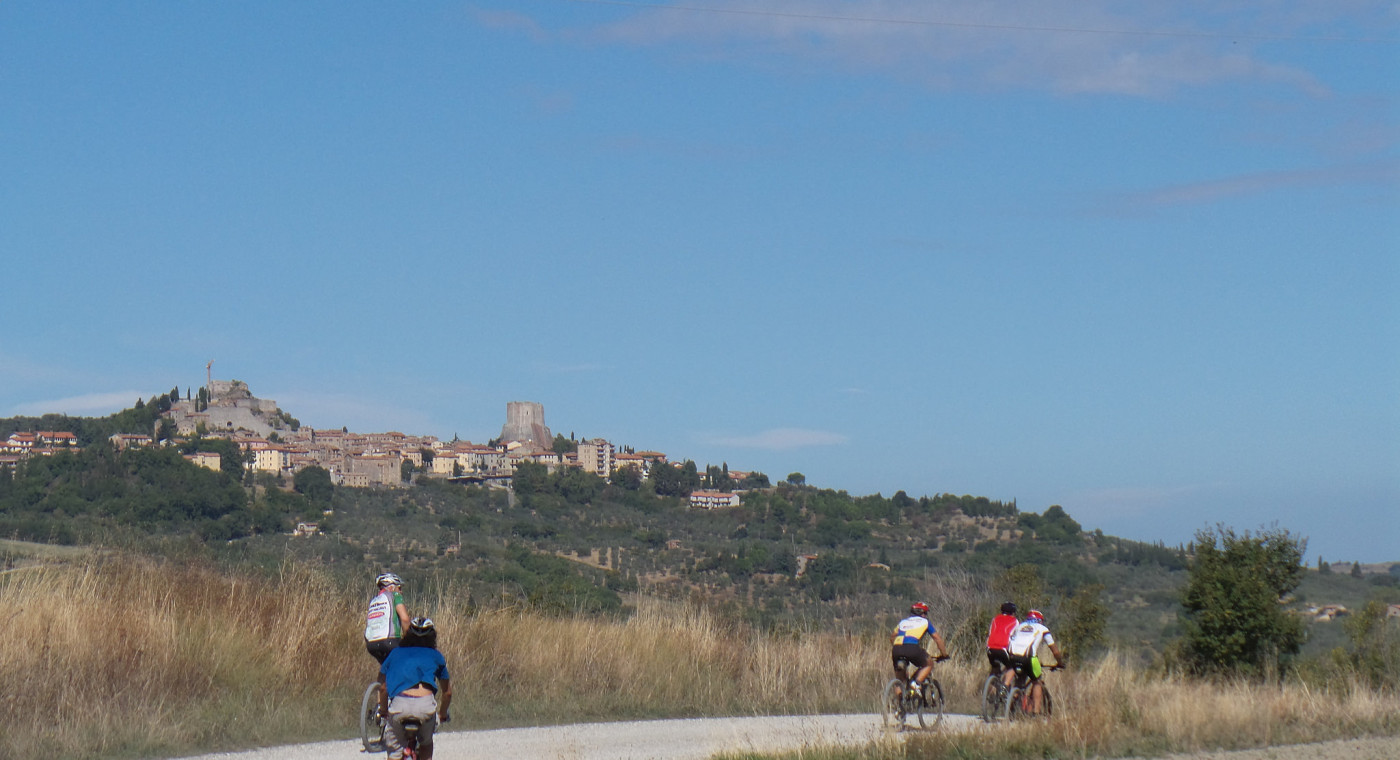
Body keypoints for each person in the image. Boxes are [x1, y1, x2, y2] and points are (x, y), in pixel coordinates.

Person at [379, 617, 452, 760]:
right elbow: (447, 693)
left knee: (394, 751)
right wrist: (442, 714)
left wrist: (383, 711)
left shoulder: (395, 653)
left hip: (399, 706)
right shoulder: (436, 656)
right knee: (426, 743)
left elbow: (383, 688)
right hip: (424, 707)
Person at [1006, 609, 1065, 715]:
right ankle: (1036, 712)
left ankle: (1012, 707)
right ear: (1040, 620)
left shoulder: (1019, 626)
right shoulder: (1042, 629)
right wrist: (1060, 662)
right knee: (1037, 681)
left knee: (1020, 681)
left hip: (1013, 657)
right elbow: (1054, 650)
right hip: (1029, 658)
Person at [889, 601, 951, 698]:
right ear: (922, 614)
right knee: (929, 664)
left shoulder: (903, 622)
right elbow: (937, 639)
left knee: (900, 680)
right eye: (925, 613)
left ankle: (899, 706)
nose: (926, 616)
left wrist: (898, 647)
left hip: (896, 649)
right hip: (911, 648)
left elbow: (892, 637)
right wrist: (944, 654)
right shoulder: (925, 622)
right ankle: (916, 683)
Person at [365, 572, 411, 664]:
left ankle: (382, 678)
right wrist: (410, 641)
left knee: (386, 669)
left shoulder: (374, 601)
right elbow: (405, 619)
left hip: (371, 644)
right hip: (390, 641)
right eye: (399, 588)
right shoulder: (395, 595)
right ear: (391, 587)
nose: (401, 591)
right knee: (408, 665)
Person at [986, 601, 1019, 686]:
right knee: (1012, 667)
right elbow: (1015, 638)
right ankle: (1005, 687)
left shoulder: (995, 619)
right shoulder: (1015, 621)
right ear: (1013, 612)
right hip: (1003, 649)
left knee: (995, 668)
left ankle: (990, 694)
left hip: (990, 649)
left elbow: (990, 633)